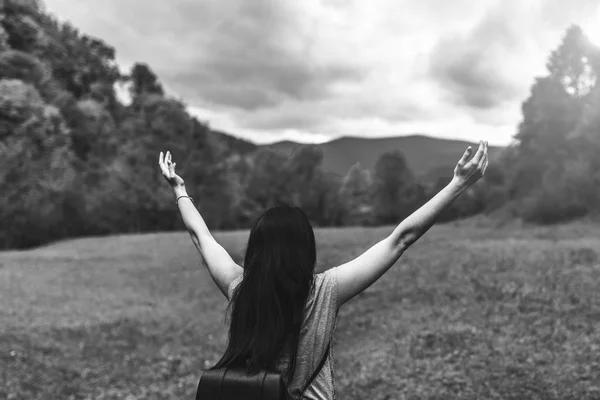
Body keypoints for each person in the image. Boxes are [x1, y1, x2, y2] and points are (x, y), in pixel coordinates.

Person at [158, 140, 488, 400]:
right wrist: (458, 184)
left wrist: (179, 190)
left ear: (256, 250)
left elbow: (201, 238)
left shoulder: (239, 288)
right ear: (306, 250)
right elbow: (400, 238)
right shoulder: (325, 291)